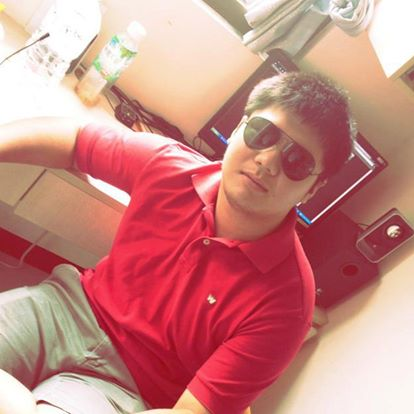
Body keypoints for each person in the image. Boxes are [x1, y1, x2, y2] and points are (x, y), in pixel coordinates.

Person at [0, 71, 355, 414]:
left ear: (313, 189)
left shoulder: (287, 305)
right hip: (66, 310)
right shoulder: (170, 167)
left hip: (127, 388)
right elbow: (77, 140)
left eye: (297, 161)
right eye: (263, 134)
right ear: (238, 129)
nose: (267, 162)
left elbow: (191, 412)